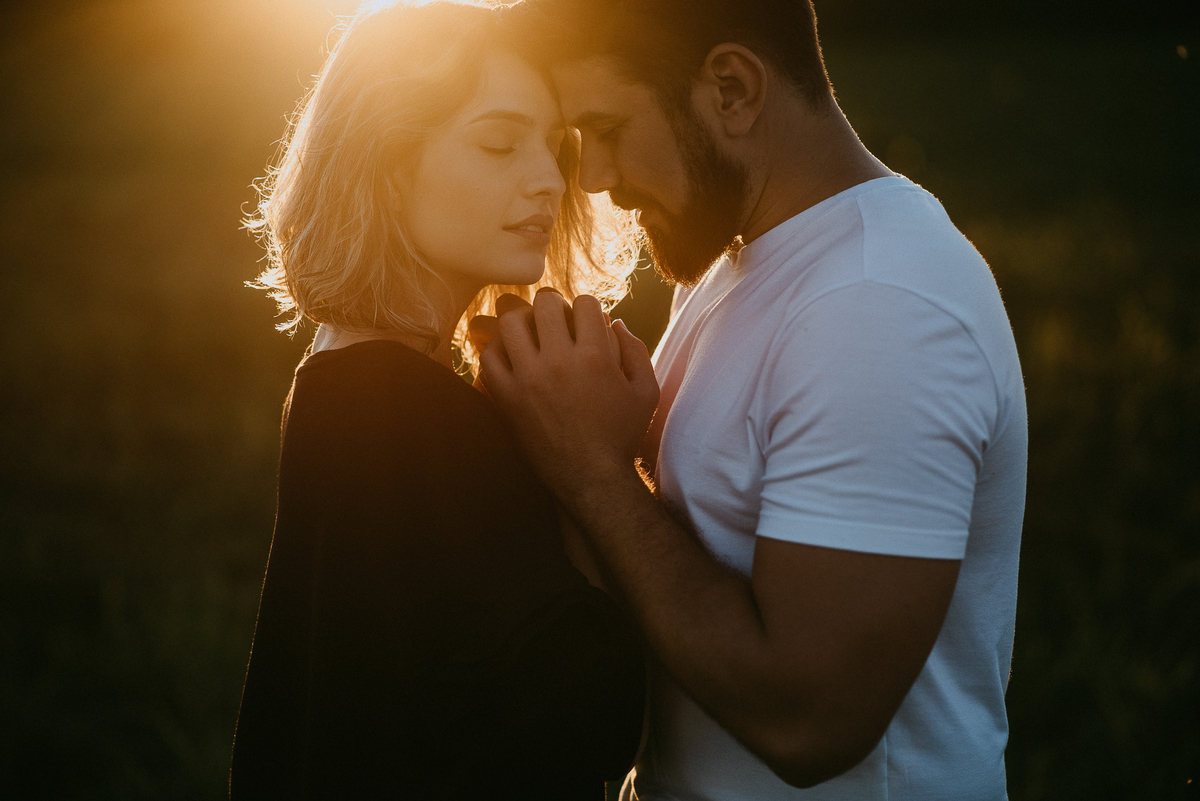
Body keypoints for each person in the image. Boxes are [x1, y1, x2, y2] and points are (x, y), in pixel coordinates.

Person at [476, 0, 1028, 798]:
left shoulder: (880, 301)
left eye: (607, 128)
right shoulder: (741, 264)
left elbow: (810, 719)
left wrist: (593, 468)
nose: (591, 177)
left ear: (732, 89)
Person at [228, 2, 646, 798]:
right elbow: (584, 715)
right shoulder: (401, 406)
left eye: (555, 146)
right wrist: (597, 461)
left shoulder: (341, 373)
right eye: (499, 143)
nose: (550, 179)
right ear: (386, 163)